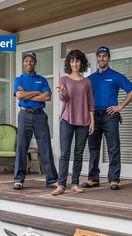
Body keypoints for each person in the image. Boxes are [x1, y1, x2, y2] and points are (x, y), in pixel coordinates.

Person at [82, 46, 132, 190]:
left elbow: (131, 91)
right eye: (99, 56)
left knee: (113, 148)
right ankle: (93, 178)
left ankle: (114, 179)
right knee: (93, 148)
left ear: (109, 58)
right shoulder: (90, 79)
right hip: (94, 117)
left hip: (110, 116)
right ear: (96, 58)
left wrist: (120, 106)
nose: (101, 58)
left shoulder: (116, 76)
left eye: (104, 56)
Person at [51, 49, 94, 196]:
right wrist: (62, 92)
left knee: (79, 153)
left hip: (84, 121)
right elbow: (64, 98)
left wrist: (92, 121)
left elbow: (90, 103)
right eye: (72, 61)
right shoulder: (64, 80)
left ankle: (74, 183)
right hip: (67, 119)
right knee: (65, 153)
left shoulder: (87, 82)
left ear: (81, 62)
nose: (75, 63)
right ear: (69, 63)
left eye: (77, 60)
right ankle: (61, 185)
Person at [13, 51, 58, 190]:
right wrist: (37, 93)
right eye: (26, 60)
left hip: (40, 116)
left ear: (35, 63)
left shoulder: (42, 79)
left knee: (45, 146)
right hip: (24, 115)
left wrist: (27, 95)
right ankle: (18, 179)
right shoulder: (19, 79)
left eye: (31, 60)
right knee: (21, 146)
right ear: (23, 63)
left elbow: (47, 97)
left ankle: (51, 180)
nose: (28, 63)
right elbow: (19, 95)